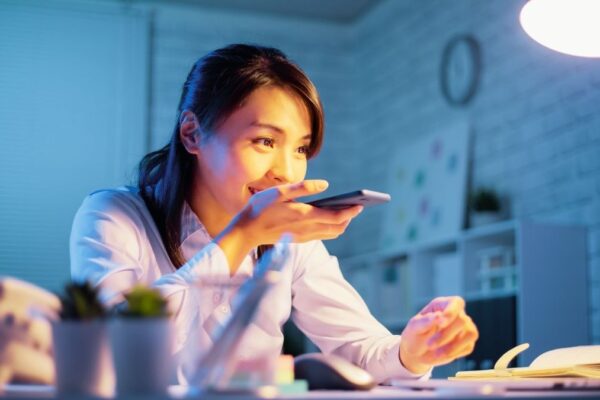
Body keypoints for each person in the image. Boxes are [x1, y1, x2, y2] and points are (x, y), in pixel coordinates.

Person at [69, 43, 478, 384]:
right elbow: (110, 351)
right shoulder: (113, 215)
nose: (286, 170)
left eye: (300, 148)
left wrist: (413, 349)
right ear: (192, 134)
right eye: (265, 140)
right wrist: (241, 236)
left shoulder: (291, 240)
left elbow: (361, 350)